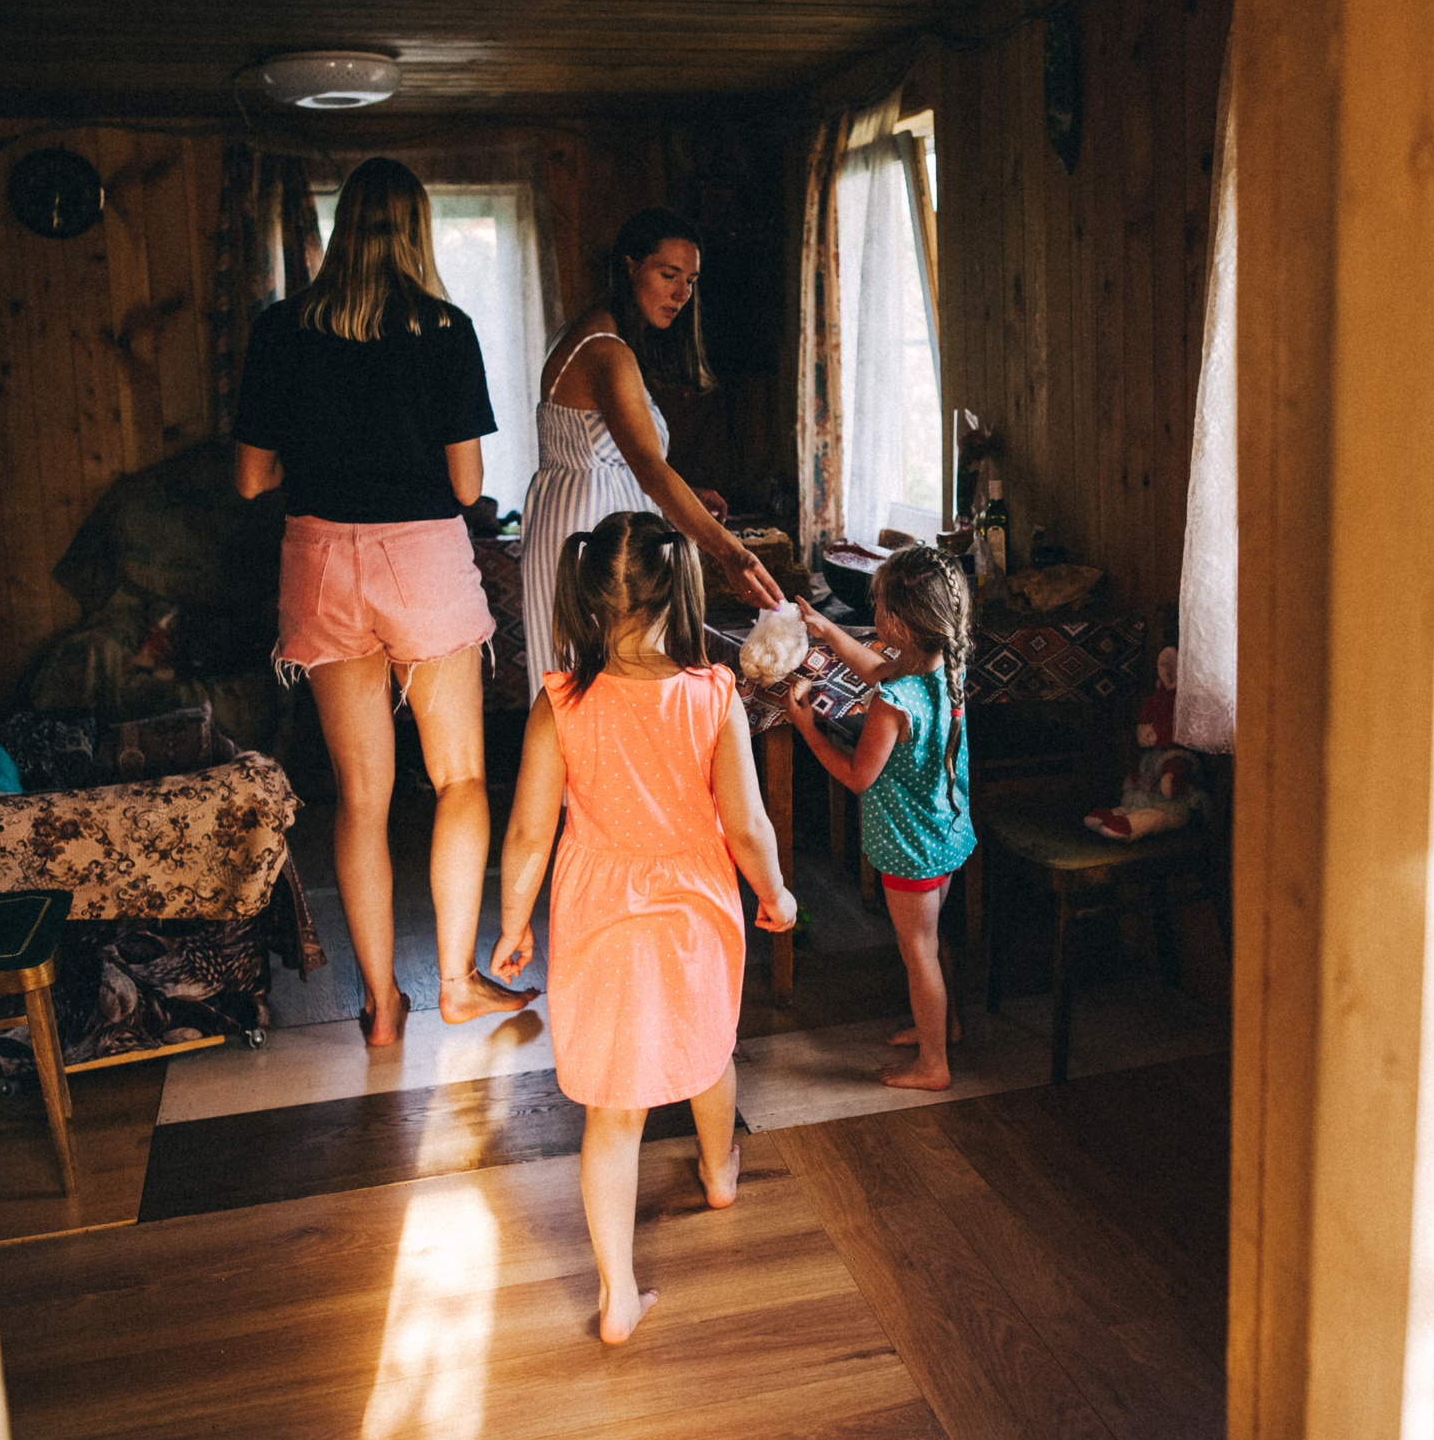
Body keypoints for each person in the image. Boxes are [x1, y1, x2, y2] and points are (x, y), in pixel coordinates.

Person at [232, 157, 535, 1047]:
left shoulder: (281, 328)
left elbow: (252, 478)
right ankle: (454, 981)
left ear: (340, 228)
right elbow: (468, 481)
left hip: (319, 557)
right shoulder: (446, 328)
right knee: (461, 778)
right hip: (422, 557)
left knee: (361, 797)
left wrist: (325, 464)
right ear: (416, 229)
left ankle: (380, 1006)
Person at [490, 512, 798, 1343]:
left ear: (586, 596)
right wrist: (776, 893)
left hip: (597, 912)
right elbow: (747, 827)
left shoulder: (560, 703)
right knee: (709, 1048)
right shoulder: (712, 696)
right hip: (694, 906)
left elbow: (527, 832)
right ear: (681, 592)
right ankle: (719, 1170)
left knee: (613, 1109)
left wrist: (514, 924)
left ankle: (618, 1295)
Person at [521, 207, 782, 695]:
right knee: (593, 688)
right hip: (587, 530)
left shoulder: (603, 337)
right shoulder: (605, 351)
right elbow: (647, 466)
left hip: (591, 516)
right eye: (669, 274)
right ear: (629, 266)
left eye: (691, 280)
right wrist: (732, 555)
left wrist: (684, 493)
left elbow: (630, 460)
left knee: (606, 687)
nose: (682, 293)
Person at [787, 547, 976, 1091]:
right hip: (943, 832)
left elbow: (856, 775)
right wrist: (827, 630)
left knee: (918, 955)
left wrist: (807, 727)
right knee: (933, 944)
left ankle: (933, 1064)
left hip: (909, 846)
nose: (874, 618)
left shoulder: (893, 701)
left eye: (879, 608)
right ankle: (945, 1026)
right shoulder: (940, 666)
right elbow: (875, 664)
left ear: (898, 621)